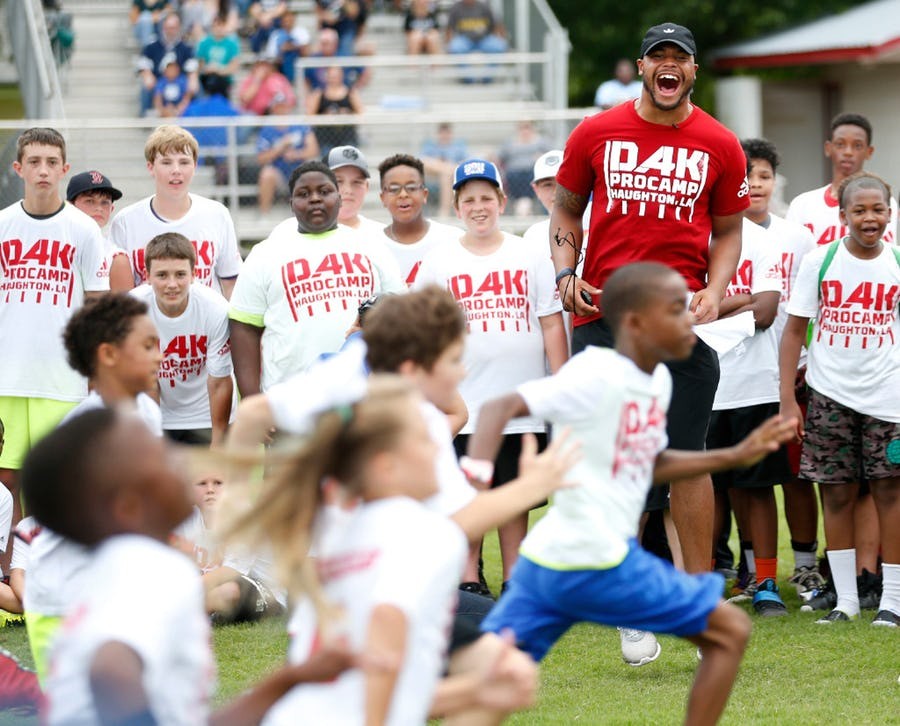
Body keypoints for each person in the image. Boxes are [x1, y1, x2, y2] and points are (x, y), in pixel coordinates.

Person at [471, 262, 797, 724]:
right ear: (636, 323)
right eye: (676, 311)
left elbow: (655, 461)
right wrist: (476, 467)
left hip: (615, 561)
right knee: (489, 688)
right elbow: (500, 405)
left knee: (727, 632)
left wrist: (732, 455)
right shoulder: (595, 372)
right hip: (561, 563)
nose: (693, 318)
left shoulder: (658, 380)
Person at [549, 22, 747, 590]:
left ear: (692, 71)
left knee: (687, 456)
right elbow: (565, 211)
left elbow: (729, 231)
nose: (668, 66)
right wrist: (566, 271)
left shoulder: (720, 143)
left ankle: (700, 595)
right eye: (656, 56)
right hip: (603, 316)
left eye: (678, 58)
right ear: (640, 67)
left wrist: (714, 286)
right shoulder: (596, 132)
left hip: (677, 322)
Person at [225, 374, 545, 724]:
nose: (440, 449)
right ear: (386, 466)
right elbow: (375, 699)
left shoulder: (351, 519)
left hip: (303, 710)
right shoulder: (411, 540)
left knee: (497, 665)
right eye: (425, 442)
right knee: (498, 667)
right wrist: (479, 691)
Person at [23, 408, 355, 725]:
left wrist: (288, 681)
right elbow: (109, 667)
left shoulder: (149, 565)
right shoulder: (135, 574)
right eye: (160, 458)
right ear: (129, 505)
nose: (181, 461)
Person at [415, 159, 568, 593]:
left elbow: (551, 322)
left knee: (512, 495)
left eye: (486, 198)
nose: (478, 207)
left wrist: (560, 385)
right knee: (467, 493)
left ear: (502, 201)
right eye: (469, 200)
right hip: (465, 403)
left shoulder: (529, 253)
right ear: (457, 206)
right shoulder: (440, 261)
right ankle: (468, 578)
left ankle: (515, 577)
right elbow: (426, 334)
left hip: (520, 400)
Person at [779, 172, 900, 627]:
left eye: (878, 209)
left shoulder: (897, 262)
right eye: (860, 210)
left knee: (891, 494)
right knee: (836, 495)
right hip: (829, 395)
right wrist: (787, 401)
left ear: (890, 213)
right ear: (843, 215)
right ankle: (845, 600)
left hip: (888, 399)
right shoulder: (820, 260)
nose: (870, 218)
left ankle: (893, 600)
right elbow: (794, 333)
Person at [0, 128, 108, 573]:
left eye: (51, 162)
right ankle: (8, 580)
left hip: (62, 380)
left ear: (64, 170)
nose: (43, 170)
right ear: (18, 168)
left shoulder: (83, 229)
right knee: (5, 487)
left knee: (56, 483)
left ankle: (54, 577)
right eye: (34, 161)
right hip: (6, 378)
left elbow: (97, 308)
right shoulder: (2, 224)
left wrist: (96, 375)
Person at [228, 160, 404, 396]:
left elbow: (402, 309)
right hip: (290, 402)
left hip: (364, 400)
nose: (315, 199)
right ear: (291, 204)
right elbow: (244, 328)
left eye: (324, 191)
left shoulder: (370, 245)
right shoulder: (266, 253)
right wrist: (253, 400)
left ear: (339, 199)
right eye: (303, 193)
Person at [738, 138, 823, 601]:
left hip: (790, 371)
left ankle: (805, 566)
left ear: (775, 181)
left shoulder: (796, 236)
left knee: (794, 475)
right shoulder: (718, 234)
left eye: (764, 175)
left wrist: (806, 364)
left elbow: (808, 306)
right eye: (747, 174)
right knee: (742, 478)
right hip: (735, 375)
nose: (754, 183)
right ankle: (752, 570)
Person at [706, 212, 785, 616]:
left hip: (753, 383)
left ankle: (766, 581)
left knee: (758, 486)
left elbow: (766, 311)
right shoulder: (687, 233)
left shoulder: (762, 239)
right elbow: (676, 312)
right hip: (700, 385)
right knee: (705, 490)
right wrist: (740, 302)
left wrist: (711, 307)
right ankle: (703, 584)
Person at [109, 125, 242, 297]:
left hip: (204, 322)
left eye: (184, 162)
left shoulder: (217, 214)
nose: (176, 170)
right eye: (166, 162)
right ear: (150, 167)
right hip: (149, 322)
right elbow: (120, 294)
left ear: (194, 166)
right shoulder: (126, 221)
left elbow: (230, 282)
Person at [131, 233, 234, 446]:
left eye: (180, 274)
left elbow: (219, 382)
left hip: (208, 413)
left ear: (193, 274)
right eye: (162, 275)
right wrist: (154, 436)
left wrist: (217, 443)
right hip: (160, 413)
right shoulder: (132, 309)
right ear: (147, 276)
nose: (172, 284)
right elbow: (146, 380)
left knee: (212, 478)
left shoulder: (215, 309)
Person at [786, 112, 897, 247]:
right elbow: (792, 258)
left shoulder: (883, 201)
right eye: (840, 144)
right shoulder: (802, 205)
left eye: (857, 145)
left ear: (869, 151)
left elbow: (885, 257)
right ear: (828, 148)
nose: (848, 152)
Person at [377, 153, 461, 286]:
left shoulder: (453, 239)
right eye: (394, 189)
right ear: (383, 198)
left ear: (425, 194)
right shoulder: (371, 247)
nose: (403, 194)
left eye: (411, 187)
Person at [66, 169, 134, 292]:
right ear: (70, 206)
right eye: (89, 201)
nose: (98, 208)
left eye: (105, 202)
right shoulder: (54, 244)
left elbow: (125, 309)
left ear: (112, 209)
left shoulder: (115, 258)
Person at [256, 95, 321, 214]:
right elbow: (261, 158)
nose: (281, 110)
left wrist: (296, 154)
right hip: (279, 173)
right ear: (273, 109)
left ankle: (309, 214)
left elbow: (313, 150)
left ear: (289, 107)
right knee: (267, 174)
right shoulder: (267, 129)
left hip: (299, 171)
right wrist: (280, 148)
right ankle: (264, 214)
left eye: (284, 106)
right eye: (278, 107)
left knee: (311, 173)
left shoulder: (300, 126)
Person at [137, 12, 199, 116]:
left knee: (197, 87)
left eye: (174, 28)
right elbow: (143, 63)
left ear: (179, 28)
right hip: (158, 83)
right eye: (169, 27)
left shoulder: (185, 48)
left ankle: (195, 118)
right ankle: (144, 120)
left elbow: (192, 66)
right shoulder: (152, 46)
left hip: (181, 84)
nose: (171, 31)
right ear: (163, 28)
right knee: (146, 87)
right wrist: (147, 75)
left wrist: (193, 79)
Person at [495, 121, 552, 216]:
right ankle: (523, 203)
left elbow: (551, 155)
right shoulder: (510, 143)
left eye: (527, 127)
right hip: (514, 175)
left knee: (534, 176)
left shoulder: (540, 142)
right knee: (513, 176)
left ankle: (525, 203)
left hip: (532, 173)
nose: (525, 131)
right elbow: (499, 157)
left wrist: (542, 157)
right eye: (523, 128)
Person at [306, 66, 363, 158]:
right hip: (326, 138)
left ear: (341, 76)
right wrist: (325, 116)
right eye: (331, 76)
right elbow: (310, 116)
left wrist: (347, 114)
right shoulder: (319, 94)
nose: (334, 79)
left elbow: (360, 113)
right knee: (328, 160)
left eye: (336, 76)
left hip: (347, 136)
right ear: (326, 77)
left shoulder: (351, 93)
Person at [327, 145, 384, 236]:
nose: (348, 190)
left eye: (357, 182)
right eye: (338, 181)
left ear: (367, 187)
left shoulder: (381, 236)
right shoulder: (299, 235)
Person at [421, 122, 469, 219]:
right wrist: (443, 165)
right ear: (438, 134)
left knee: (446, 174)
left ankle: (444, 213)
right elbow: (422, 161)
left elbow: (466, 161)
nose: (444, 136)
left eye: (447, 133)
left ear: (451, 134)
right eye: (442, 133)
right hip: (432, 173)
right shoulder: (430, 146)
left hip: (450, 175)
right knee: (428, 163)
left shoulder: (458, 147)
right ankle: (446, 168)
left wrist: (448, 167)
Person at [303, 28, 368, 93]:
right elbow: (306, 79)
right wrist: (309, 95)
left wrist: (355, 90)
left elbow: (364, 71)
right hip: (319, 98)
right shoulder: (313, 59)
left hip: (342, 98)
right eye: (322, 43)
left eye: (326, 43)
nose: (323, 47)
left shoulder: (345, 57)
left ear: (335, 44)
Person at [195, 12, 242, 98]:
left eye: (222, 25)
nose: (219, 28)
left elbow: (234, 66)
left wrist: (218, 70)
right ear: (212, 26)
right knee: (210, 81)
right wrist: (208, 69)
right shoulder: (204, 43)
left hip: (224, 79)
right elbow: (200, 65)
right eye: (217, 25)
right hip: (207, 77)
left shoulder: (232, 44)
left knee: (216, 81)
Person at [237, 52, 296, 117]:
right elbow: (245, 99)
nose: (263, 68)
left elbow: (290, 100)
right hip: (254, 115)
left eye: (265, 65)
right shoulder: (249, 80)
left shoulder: (279, 79)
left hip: (275, 115)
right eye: (260, 65)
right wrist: (257, 80)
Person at [264, 8, 310, 83]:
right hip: (281, 67)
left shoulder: (302, 32)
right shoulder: (276, 35)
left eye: (290, 20)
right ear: (281, 22)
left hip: (299, 65)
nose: (288, 23)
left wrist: (291, 47)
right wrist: (282, 52)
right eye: (285, 21)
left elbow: (306, 52)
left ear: (294, 20)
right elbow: (272, 56)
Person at [153, 53, 193, 118]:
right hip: (165, 110)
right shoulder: (161, 81)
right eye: (169, 68)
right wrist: (163, 110)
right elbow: (157, 98)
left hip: (180, 110)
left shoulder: (182, 80)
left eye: (174, 68)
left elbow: (187, 97)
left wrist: (178, 109)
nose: (172, 70)